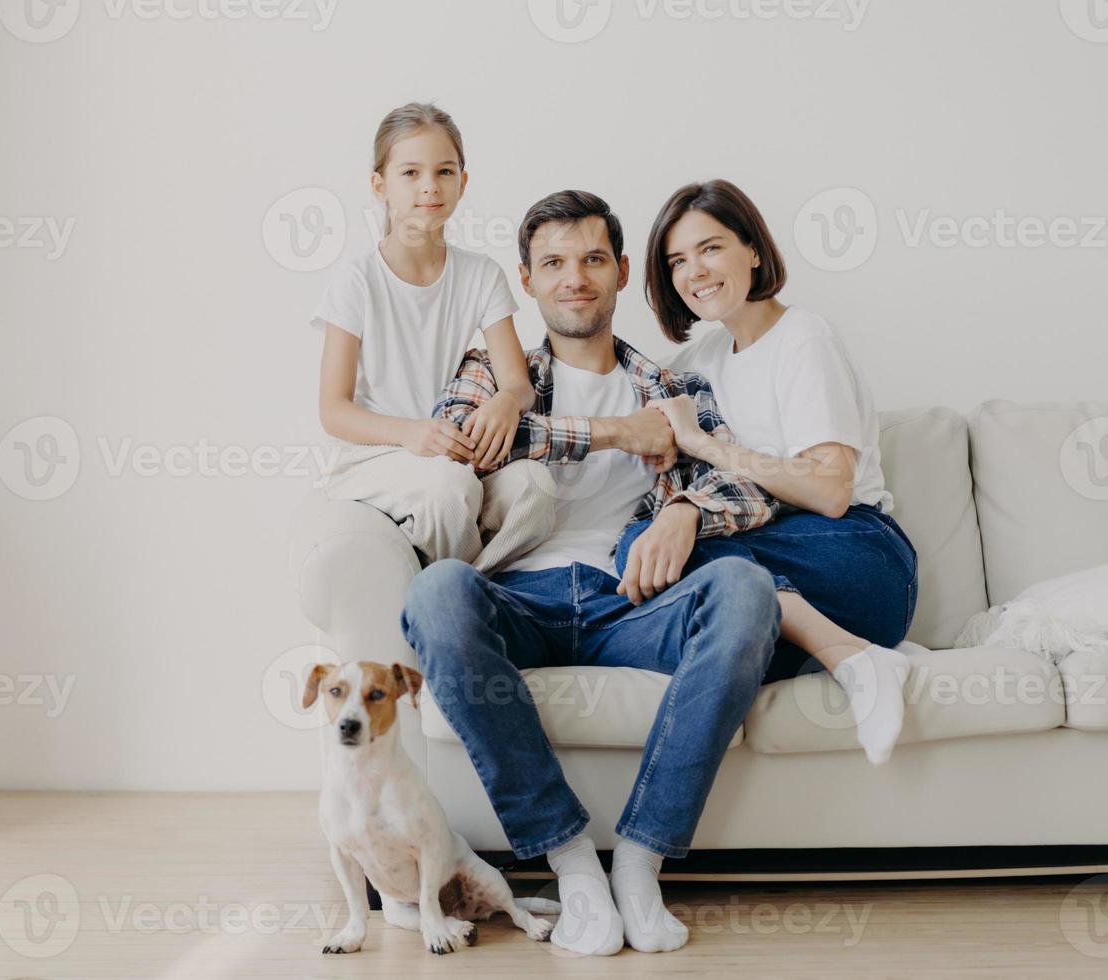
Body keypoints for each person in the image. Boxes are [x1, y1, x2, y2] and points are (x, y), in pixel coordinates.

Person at [402, 190, 782, 956]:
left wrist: (685, 514)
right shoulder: (494, 371)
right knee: (436, 593)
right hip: (518, 602)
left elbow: (747, 484)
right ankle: (573, 864)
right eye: (553, 263)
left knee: (745, 587)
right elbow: (460, 445)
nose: (573, 277)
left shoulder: (672, 388)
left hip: (629, 601)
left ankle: (640, 862)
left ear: (617, 275)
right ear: (527, 280)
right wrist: (612, 432)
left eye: (592, 260)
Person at [621, 179, 920, 765]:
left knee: (689, 548)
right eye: (678, 260)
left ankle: (856, 658)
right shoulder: (702, 358)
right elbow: (627, 389)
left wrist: (702, 450)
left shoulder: (803, 337)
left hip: (859, 556)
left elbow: (829, 491)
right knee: (638, 543)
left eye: (710, 248)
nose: (695, 272)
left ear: (753, 249)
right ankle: (834, 650)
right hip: (779, 579)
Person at [313, 103, 552, 572]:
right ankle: (455, 594)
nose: (430, 186)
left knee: (537, 488)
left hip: (452, 450)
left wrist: (505, 404)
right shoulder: (357, 280)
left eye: (445, 171)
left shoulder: (480, 275)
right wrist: (410, 434)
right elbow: (333, 410)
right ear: (379, 185)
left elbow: (517, 383)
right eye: (410, 172)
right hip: (376, 454)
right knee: (449, 489)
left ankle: (475, 586)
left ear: (463, 182)